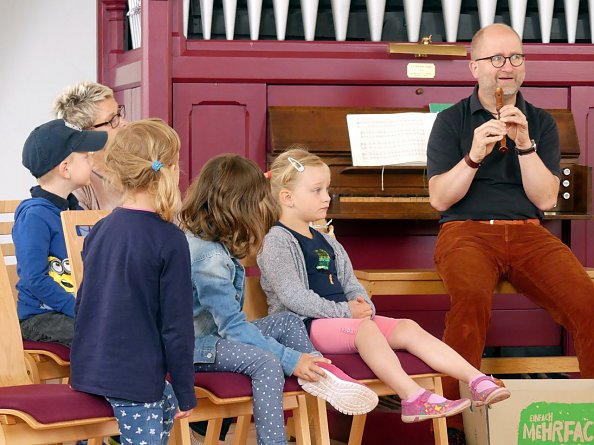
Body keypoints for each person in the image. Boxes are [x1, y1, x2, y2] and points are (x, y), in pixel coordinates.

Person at [257, 147, 510, 425]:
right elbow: (294, 298)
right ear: (287, 197)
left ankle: (477, 380)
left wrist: (363, 305)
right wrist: (347, 312)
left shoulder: (327, 240)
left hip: (344, 322)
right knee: (365, 329)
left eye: (327, 189)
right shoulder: (277, 242)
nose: (327, 197)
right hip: (303, 327)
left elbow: (350, 283)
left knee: (407, 328)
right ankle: (412, 397)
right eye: (317, 190)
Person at [426, 23, 594, 439]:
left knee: (589, 306)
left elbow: (545, 199)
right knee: (468, 307)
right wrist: (473, 155)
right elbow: (440, 200)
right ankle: (455, 424)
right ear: (474, 68)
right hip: (465, 231)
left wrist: (525, 145)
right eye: (497, 58)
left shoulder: (541, 122)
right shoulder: (450, 122)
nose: (508, 67)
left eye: (516, 57)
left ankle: (587, 413)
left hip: (528, 232)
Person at [178, 154, 378, 445]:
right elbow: (233, 327)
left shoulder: (212, 242)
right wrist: (290, 359)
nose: (266, 208)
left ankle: (327, 378)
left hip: (215, 339)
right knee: (267, 363)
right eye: (260, 201)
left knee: (287, 321)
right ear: (240, 207)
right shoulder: (208, 257)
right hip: (197, 349)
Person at [70, 119, 196, 444]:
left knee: (165, 400)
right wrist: (185, 389)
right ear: (170, 168)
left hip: (89, 370)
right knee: (168, 399)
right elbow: (177, 326)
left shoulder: (101, 229)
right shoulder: (170, 239)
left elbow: (83, 303)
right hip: (134, 380)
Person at [13, 119, 107, 347]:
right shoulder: (34, 216)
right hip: (41, 316)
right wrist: (80, 309)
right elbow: (35, 279)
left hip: (75, 308)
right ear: (65, 169)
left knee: (128, 325)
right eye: (86, 157)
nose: (92, 160)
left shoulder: (76, 211)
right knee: (102, 335)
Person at [54, 81, 128, 210]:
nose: (125, 123)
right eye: (112, 120)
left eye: (119, 114)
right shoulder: (76, 187)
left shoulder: (138, 163)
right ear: (85, 133)